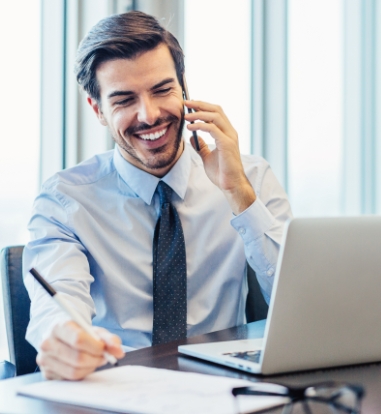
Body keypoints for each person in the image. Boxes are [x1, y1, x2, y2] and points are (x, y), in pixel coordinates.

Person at [23, 11, 292, 380]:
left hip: (226, 388)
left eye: (163, 90)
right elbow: (56, 305)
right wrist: (64, 338)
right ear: (98, 109)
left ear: (185, 89)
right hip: (118, 384)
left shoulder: (252, 177)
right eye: (123, 100)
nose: (149, 115)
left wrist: (238, 194)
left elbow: (303, 307)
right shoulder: (65, 200)